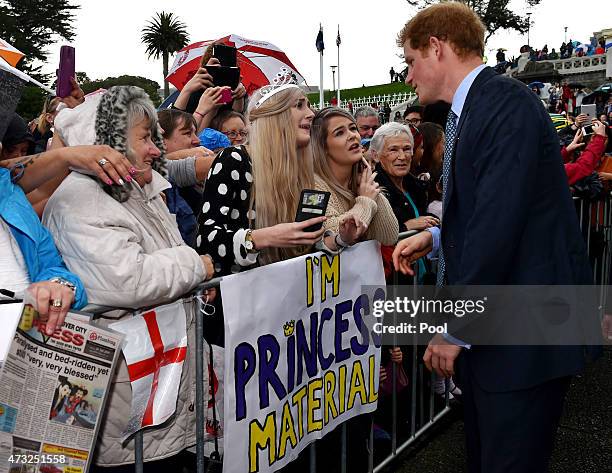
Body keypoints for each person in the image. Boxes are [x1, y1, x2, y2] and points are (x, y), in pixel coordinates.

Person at [392, 3, 597, 472]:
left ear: (436, 48)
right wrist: (440, 239)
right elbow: (493, 212)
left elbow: (499, 226)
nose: (407, 76)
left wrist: (453, 329)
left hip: (524, 338)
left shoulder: (503, 103)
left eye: (410, 60)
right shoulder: (482, 106)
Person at [42, 86, 215, 469]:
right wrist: (196, 265)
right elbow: (128, 280)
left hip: (158, 385)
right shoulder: (80, 201)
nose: (156, 150)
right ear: (105, 143)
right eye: (144, 138)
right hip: (123, 400)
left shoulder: (139, 188)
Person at [197, 82, 326, 277]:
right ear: (274, 116)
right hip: (242, 299)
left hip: (288, 295)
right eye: (299, 105)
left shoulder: (301, 169)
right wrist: (262, 238)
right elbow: (206, 242)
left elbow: (303, 246)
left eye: (308, 105)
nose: (311, 113)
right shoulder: (234, 160)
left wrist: (338, 240)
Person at [310, 107, 399, 250]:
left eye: (353, 128)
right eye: (339, 133)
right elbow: (331, 232)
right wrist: (366, 201)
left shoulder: (361, 184)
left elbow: (389, 236)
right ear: (323, 147)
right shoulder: (313, 186)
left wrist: (369, 183)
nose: (352, 135)